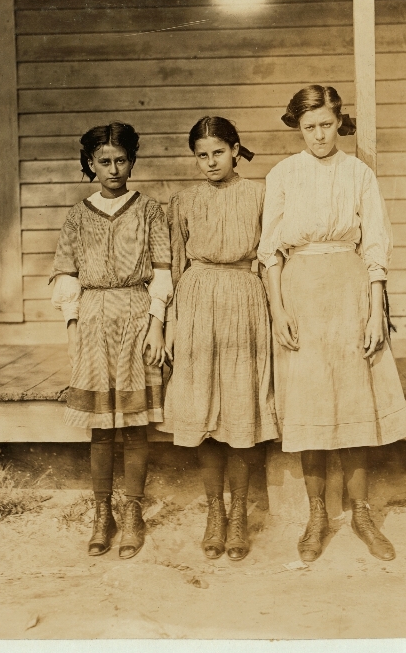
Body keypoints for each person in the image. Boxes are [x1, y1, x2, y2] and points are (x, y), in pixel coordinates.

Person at [258, 86, 406, 562]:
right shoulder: (283, 174)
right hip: (300, 293)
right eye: (309, 128)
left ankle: (362, 512)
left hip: (349, 292)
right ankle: (317, 515)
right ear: (298, 128)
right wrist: (278, 310)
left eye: (326, 124)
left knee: (354, 400)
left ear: (338, 121)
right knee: (309, 404)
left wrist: (375, 307)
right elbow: (269, 251)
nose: (319, 135)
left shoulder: (358, 173)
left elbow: (375, 244)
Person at [159, 117, 280, 561]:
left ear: (235, 150)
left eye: (218, 152)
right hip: (195, 305)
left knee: (240, 409)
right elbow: (173, 267)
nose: (210, 162)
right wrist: (169, 324)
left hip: (245, 303)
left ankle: (240, 516)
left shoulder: (261, 195)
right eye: (201, 155)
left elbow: (270, 258)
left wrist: (276, 311)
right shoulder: (184, 201)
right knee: (204, 412)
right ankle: (214, 512)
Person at [50, 122, 171, 559]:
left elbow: (162, 269)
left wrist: (157, 323)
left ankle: (134, 510)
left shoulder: (149, 210)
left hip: (137, 316)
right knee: (100, 428)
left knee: (136, 425)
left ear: (132, 162)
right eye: (104, 161)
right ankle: (104, 512)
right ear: (90, 164)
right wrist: (72, 330)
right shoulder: (78, 215)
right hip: (94, 320)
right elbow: (66, 273)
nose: (114, 168)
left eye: (121, 160)